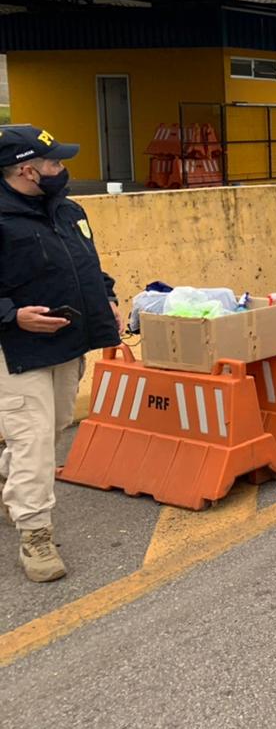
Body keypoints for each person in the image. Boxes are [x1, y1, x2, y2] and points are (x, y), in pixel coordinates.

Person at [0, 125, 124, 583]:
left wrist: (106, 297)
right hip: (16, 348)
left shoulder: (68, 209)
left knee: (52, 427)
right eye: (54, 162)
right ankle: (35, 534)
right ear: (27, 171)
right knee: (33, 439)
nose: (62, 169)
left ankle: (9, 480)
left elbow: (86, 263)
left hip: (67, 341)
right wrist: (13, 316)